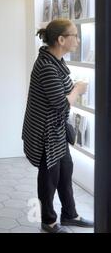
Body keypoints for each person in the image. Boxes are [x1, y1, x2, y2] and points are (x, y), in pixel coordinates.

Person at [22, 18, 94, 233]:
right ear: (61, 39)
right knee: (49, 178)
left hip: (55, 131)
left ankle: (70, 214)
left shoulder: (54, 61)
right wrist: (77, 90)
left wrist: (73, 89)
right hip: (44, 133)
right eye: (75, 35)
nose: (78, 40)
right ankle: (48, 221)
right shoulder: (46, 65)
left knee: (65, 170)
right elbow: (62, 104)